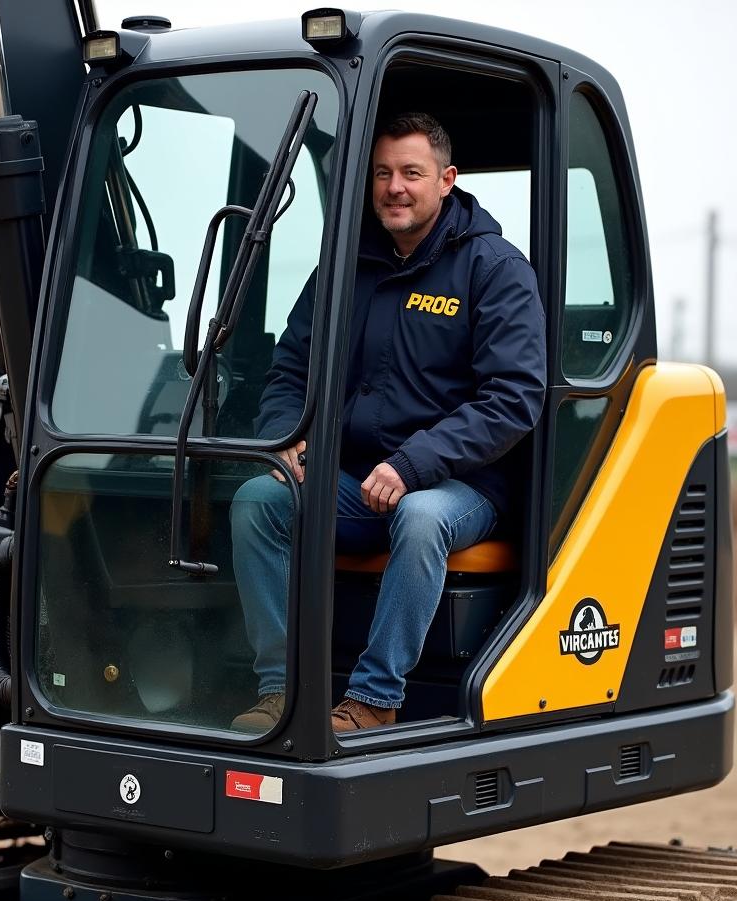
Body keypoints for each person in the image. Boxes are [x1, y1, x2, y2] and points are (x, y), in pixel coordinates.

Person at [229, 112, 546, 733]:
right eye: (382, 173)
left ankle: (374, 699)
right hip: (358, 479)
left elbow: (514, 397)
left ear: (447, 180)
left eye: (411, 173)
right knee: (258, 501)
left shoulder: (494, 268)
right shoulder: (347, 268)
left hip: (462, 484)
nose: (394, 187)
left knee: (421, 516)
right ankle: (281, 690)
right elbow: (293, 366)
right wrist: (287, 434)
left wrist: (412, 465)